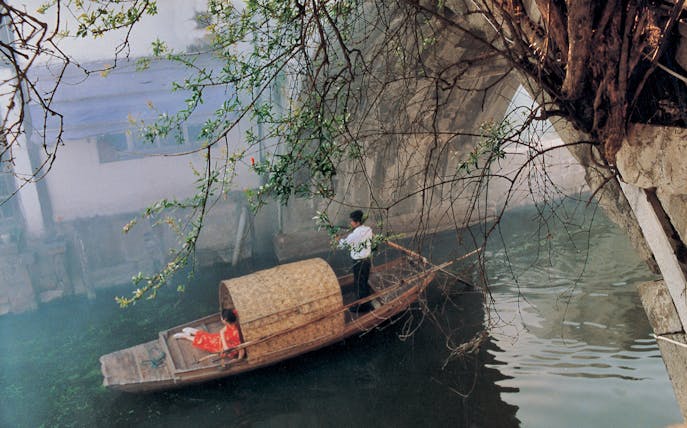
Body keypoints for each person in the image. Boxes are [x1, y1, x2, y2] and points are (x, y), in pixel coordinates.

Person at [173, 309, 245, 359]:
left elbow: (241, 349)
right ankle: (186, 335)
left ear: (225, 320)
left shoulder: (236, 332)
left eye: (221, 318)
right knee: (207, 339)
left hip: (223, 346)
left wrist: (239, 359)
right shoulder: (231, 324)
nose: (221, 319)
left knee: (206, 341)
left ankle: (188, 334)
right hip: (221, 342)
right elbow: (222, 331)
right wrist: (225, 345)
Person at [338, 210, 374, 312]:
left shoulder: (354, 235)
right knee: (364, 281)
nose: (351, 223)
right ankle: (367, 302)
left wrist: (337, 239)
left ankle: (362, 306)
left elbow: (343, 245)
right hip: (367, 261)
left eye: (352, 221)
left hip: (359, 262)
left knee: (358, 284)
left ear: (357, 222)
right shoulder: (368, 230)